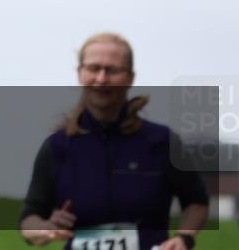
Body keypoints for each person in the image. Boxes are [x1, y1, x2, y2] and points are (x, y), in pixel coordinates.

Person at [19, 33, 209, 250]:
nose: (101, 79)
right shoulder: (57, 147)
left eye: (112, 70)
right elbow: (29, 218)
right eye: (93, 68)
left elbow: (197, 201)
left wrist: (184, 238)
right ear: (79, 73)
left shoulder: (162, 142)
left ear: (130, 77)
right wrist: (46, 228)